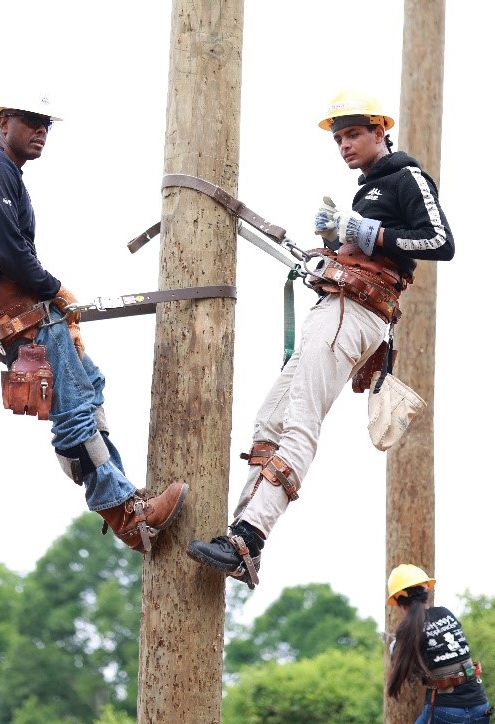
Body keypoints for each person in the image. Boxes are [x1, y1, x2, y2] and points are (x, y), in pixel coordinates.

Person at [187, 89, 455, 588]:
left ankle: (249, 536)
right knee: (272, 419)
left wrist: (366, 231)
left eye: (353, 134)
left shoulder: (406, 176)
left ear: (380, 132)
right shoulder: (368, 187)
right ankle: (241, 534)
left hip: (352, 311)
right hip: (336, 306)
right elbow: (368, 248)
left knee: (299, 425)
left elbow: (440, 242)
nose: (344, 145)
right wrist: (338, 243)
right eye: (338, 138)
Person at [0, 93, 188, 553]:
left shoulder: (1, 171)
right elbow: (8, 252)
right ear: (3, 122)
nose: (40, 131)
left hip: (15, 309)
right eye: (30, 121)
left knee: (88, 387)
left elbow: (10, 252)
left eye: (46, 124)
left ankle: (120, 492)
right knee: (74, 409)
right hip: (12, 313)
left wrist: (51, 297)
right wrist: (53, 288)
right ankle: (126, 514)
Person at [386, 564, 492, 724]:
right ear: (427, 590)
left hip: (447, 716)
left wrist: (390, 643)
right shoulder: (446, 614)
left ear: (398, 601)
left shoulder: (407, 629)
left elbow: (402, 660)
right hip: (481, 712)